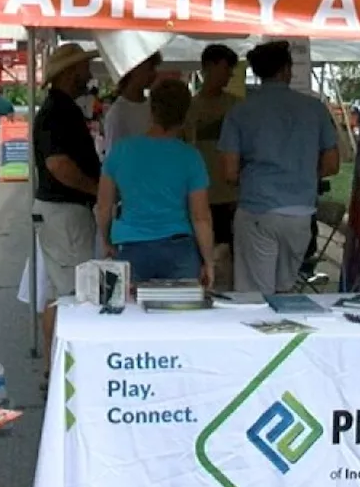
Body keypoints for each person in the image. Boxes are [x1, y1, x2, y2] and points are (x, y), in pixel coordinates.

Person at [218, 40, 341, 295]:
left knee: (256, 296)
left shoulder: (240, 112)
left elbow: (229, 172)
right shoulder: (315, 109)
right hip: (300, 213)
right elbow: (331, 164)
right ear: (287, 69)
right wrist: (301, 173)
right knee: (285, 290)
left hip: (257, 209)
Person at [98, 79, 214, 286]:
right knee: (181, 316)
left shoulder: (121, 151)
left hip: (130, 245)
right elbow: (200, 217)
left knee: (130, 315)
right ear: (185, 115)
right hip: (179, 248)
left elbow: (105, 206)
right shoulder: (190, 157)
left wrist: (105, 240)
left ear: (151, 111)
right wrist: (209, 261)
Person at [33, 43, 100, 359]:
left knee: (63, 290)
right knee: (72, 293)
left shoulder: (61, 109)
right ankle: (62, 363)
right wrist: (95, 189)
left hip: (65, 210)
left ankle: (55, 363)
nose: (89, 74)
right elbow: (58, 164)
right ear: (71, 72)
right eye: (85, 68)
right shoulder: (57, 112)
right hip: (65, 210)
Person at [185, 44, 241, 289]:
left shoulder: (238, 107)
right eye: (225, 68)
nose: (229, 75)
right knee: (202, 259)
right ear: (208, 67)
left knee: (230, 261)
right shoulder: (188, 108)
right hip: (199, 197)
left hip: (231, 197)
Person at [99, 52, 161, 157]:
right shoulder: (117, 113)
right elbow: (114, 158)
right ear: (133, 69)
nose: (154, 74)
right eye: (150, 68)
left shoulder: (154, 106)